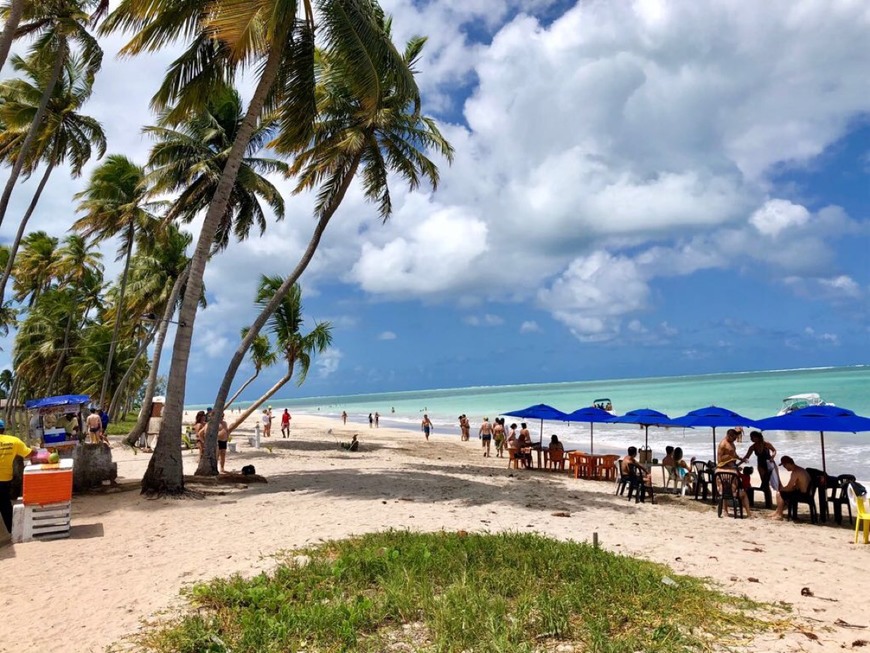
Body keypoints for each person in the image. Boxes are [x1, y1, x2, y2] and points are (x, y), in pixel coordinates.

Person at [0, 421, 37, 533]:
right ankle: (13, 532)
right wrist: (34, 450)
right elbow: (29, 454)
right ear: (4, 429)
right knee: (5, 507)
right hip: (4, 480)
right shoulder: (14, 441)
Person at [740, 430, 778, 509]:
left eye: (752, 437)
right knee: (765, 484)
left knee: (775, 482)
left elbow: (774, 450)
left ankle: (769, 503)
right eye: (750, 437)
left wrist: (772, 457)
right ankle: (768, 504)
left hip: (769, 464)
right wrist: (738, 464)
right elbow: (746, 456)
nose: (751, 439)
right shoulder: (753, 447)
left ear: (757, 437)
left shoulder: (766, 444)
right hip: (760, 465)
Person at [771, 456, 811, 521]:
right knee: (783, 492)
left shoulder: (795, 472)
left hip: (802, 495)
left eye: (784, 465)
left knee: (779, 493)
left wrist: (780, 488)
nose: (784, 468)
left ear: (788, 464)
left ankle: (779, 514)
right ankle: (777, 511)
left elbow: (789, 488)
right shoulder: (801, 469)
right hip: (807, 493)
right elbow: (796, 485)